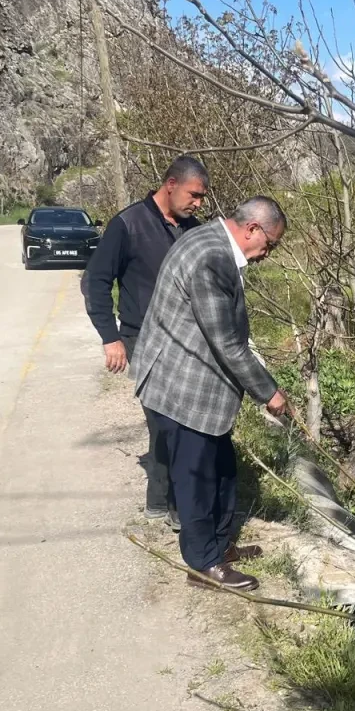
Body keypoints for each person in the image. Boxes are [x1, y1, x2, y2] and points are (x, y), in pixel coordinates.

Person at [131, 196, 292, 591]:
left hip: (193, 381)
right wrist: (269, 393)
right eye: (269, 244)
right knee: (197, 478)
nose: (267, 254)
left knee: (222, 469)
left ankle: (220, 545)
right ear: (252, 229)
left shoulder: (211, 241)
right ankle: (203, 563)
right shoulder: (211, 258)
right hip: (183, 386)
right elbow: (226, 342)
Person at [84, 156, 210, 527]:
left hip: (185, 341)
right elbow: (95, 281)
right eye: (194, 195)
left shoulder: (191, 229)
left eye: (202, 198)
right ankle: (174, 507)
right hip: (142, 339)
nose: (198, 204)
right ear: (170, 184)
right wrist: (111, 338)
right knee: (166, 421)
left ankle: (162, 500)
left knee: (176, 422)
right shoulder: (128, 225)